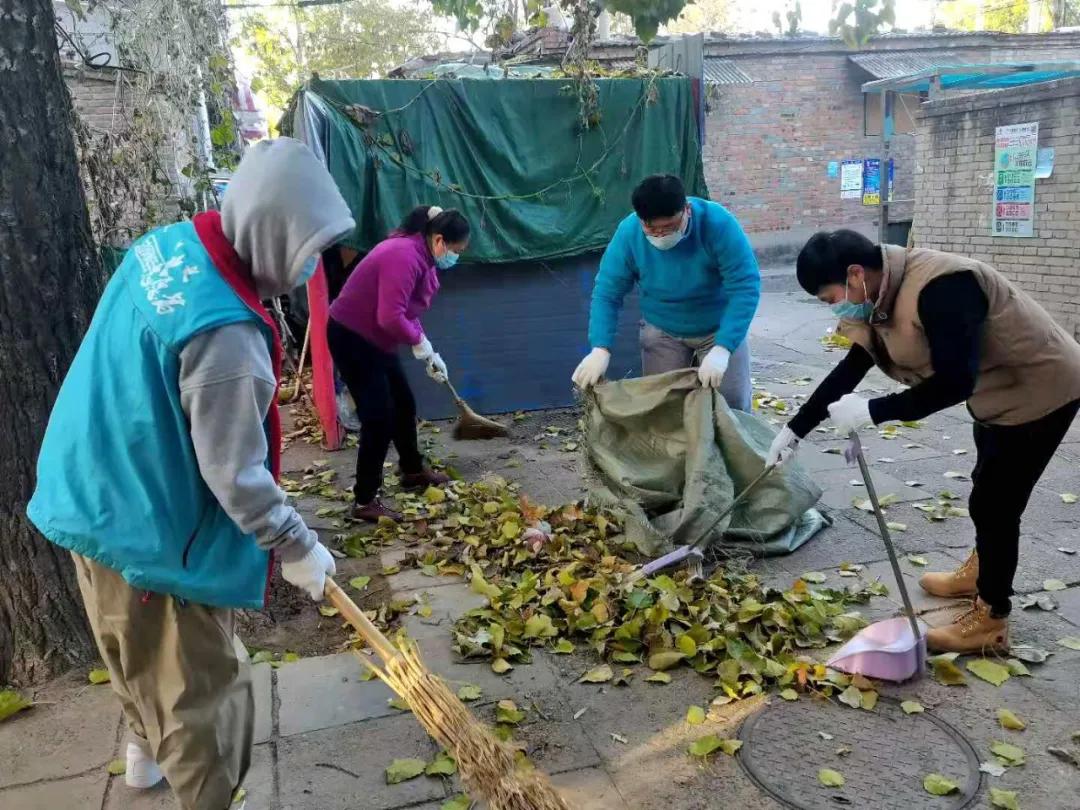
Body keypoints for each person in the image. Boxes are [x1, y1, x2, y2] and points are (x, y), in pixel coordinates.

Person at [27, 139, 353, 809]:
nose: (311, 264)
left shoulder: (167, 247)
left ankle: (142, 755)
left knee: (131, 652)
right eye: (307, 245)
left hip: (88, 488)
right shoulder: (227, 337)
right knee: (202, 694)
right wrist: (296, 544)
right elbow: (235, 474)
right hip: (148, 530)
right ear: (272, 230)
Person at [767, 229, 1080, 654]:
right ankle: (984, 569)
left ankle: (991, 620)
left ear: (855, 273)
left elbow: (953, 382)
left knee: (996, 504)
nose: (834, 306)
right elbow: (852, 367)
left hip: (1040, 386)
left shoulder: (943, 286)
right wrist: (795, 429)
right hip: (995, 392)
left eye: (829, 297)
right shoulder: (876, 293)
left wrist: (875, 411)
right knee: (987, 489)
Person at [327, 205, 470, 522]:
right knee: (379, 416)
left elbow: (406, 312)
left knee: (403, 402)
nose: (455, 257)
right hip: (352, 336)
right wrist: (418, 343)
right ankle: (364, 500)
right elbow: (390, 316)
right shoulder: (403, 256)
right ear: (439, 240)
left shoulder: (423, 256)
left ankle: (412, 471)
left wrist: (429, 350)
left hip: (375, 336)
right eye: (455, 251)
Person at [571, 174, 761, 409]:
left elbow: (745, 287)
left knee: (732, 403)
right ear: (640, 219)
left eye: (669, 227)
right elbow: (607, 293)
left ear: (687, 211)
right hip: (663, 328)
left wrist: (724, 347)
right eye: (651, 229)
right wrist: (600, 348)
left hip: (717, 326)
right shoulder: (629, 233)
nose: (660, 235)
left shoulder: (718, 224)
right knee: (663, 405)